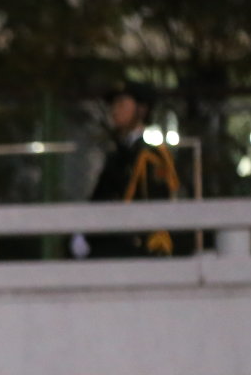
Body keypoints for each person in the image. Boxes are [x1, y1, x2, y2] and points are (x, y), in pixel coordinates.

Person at [72, 80, 182, 259]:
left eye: (122, 103)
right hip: (109, 243)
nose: (115, 110)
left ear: (142, 109)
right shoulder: (119, 152)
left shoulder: (149, 155)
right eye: (114, 104)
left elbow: (156, 206)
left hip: (131, 248)